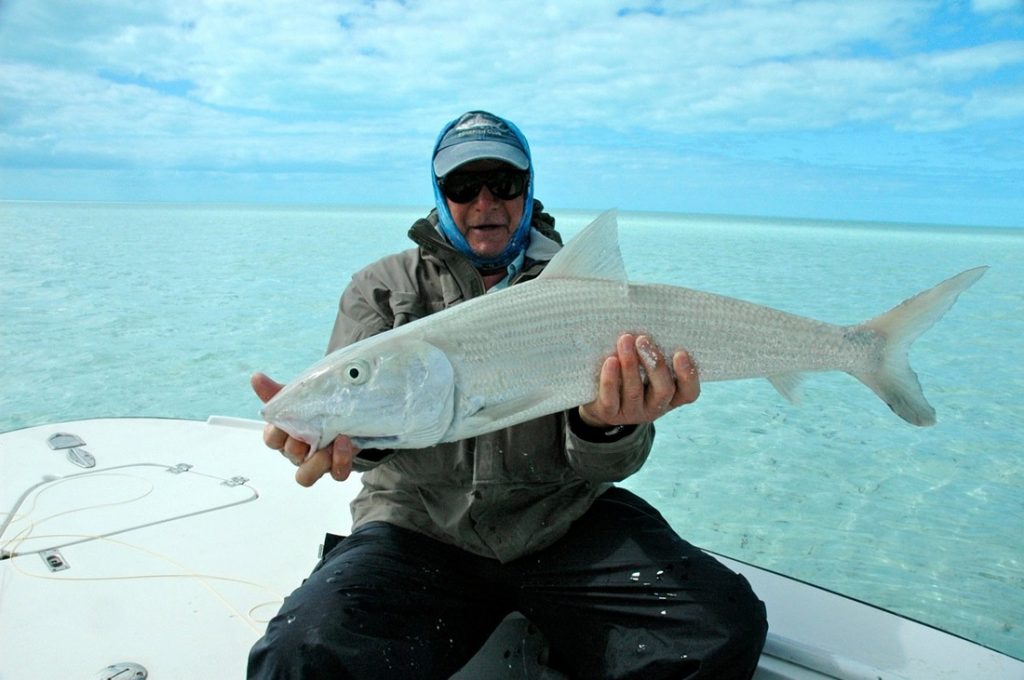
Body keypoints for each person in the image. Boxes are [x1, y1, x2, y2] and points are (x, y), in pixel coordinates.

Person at [247, 111, 767, 679]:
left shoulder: (583, 294)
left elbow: (619, 462)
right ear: (439, 192)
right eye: (464, 186)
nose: (485, 203)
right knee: (300, 655)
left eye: (506, 184)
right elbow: (366, 413)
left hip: (565, 519)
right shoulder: (383, 286)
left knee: (722, 627)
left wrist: (608, 425)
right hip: (419, 526)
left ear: (530, 187)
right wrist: (336, 437)